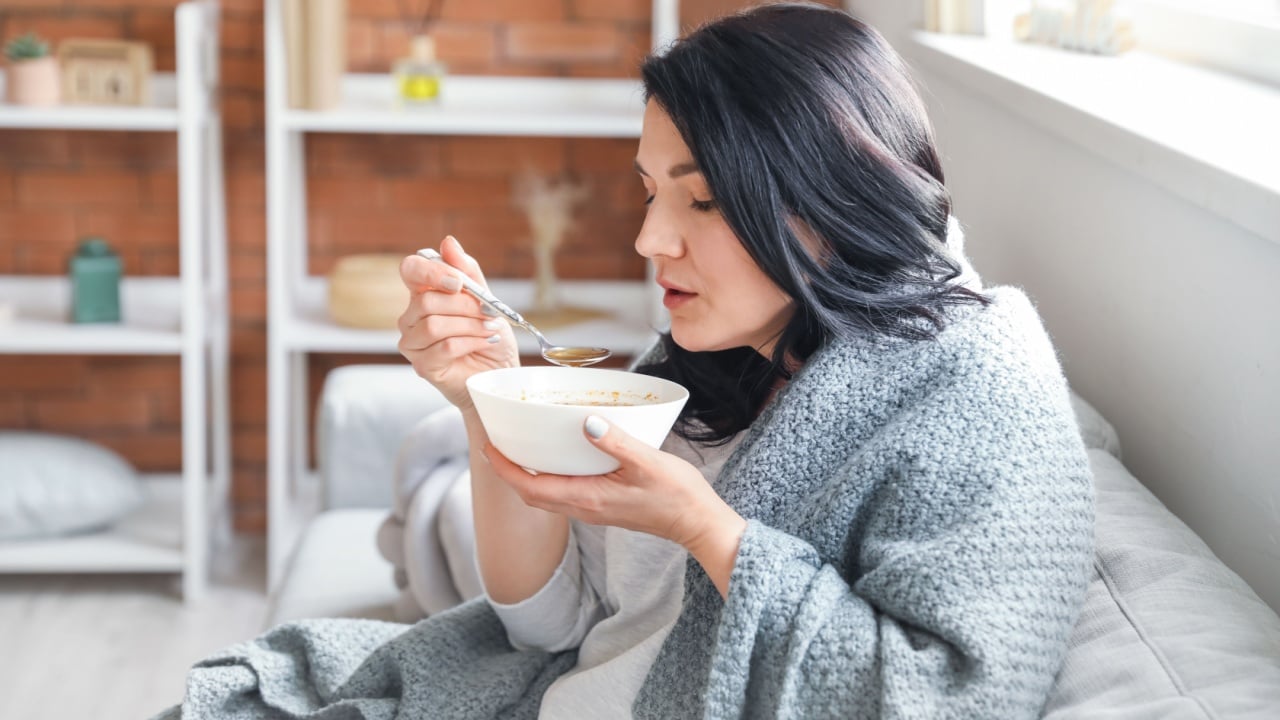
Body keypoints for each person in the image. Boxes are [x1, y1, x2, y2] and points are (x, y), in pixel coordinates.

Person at [156, 4, 1093, 719]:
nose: (649, 240)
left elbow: (947, 696)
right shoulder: (728, 353)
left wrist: (708, 532)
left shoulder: (975, 391)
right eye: (649, 192)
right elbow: (553, 627)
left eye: (702, 202)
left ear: (832, 197)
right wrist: (488, 400)